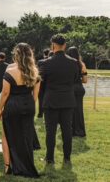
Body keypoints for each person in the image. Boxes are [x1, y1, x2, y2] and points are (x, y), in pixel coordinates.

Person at [0, 43, 40, 178]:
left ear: (16, 54)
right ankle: (27, 164)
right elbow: (35, 95)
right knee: (26, 136)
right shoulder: (34, 71)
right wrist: (29, 106)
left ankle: (7, 166)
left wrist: (0, 108)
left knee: (6, 135)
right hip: (29, 105)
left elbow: (5, 93)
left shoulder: (10, 70)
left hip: (13, 105)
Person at [41, 34, 79, 164]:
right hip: (68, 100)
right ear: (65, 45)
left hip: (51, 100)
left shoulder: (46, 63)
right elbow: (75, 80)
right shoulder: (74, 63)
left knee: (50, 132)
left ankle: (50, 158)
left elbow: (42, 83)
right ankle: (67, 158)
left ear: (53, 45)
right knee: (67, 131)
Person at [67, 46, 88, 137]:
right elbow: (85, 80)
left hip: (70, 89)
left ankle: (72, 131)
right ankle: (80, 131)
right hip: (80, 88)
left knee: (70, 110)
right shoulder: (82, 64)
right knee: (79, 110)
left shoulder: (67, 64)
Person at [37, 48, 50, 118]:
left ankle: (40, 113)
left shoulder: (40, 61)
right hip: (49, 82)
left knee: (40, 98)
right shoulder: (51, 61)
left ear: (43, 54)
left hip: (41, 81)